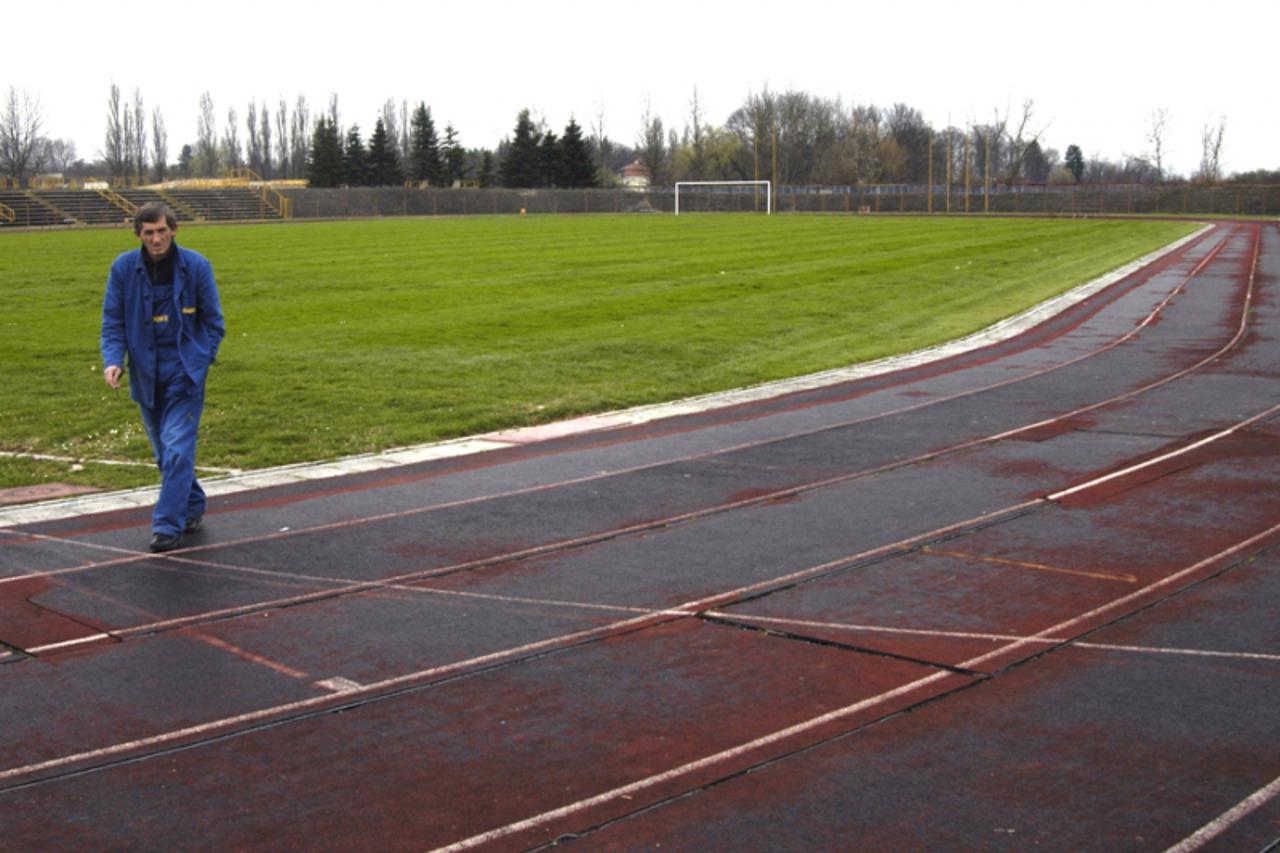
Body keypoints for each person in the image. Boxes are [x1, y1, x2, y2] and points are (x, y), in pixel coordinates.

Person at [101, 202, 225, 552]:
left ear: (174, 229)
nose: (156, 239)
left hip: (183, 372)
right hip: (145, 373)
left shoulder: (197, 267)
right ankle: (193, 502)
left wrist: (201, 360)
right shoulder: (123, 269)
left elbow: (214, 322)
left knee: (177, 449)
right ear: (139, 235)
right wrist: (113, 361)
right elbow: (113, 322)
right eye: (148, 233)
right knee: (165, 454)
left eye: (161, 231)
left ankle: (166, 526)